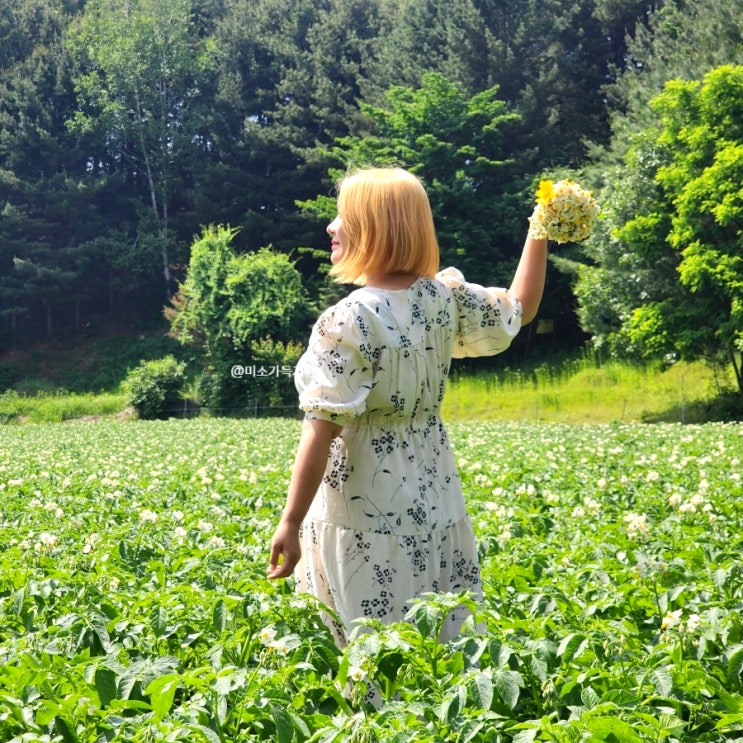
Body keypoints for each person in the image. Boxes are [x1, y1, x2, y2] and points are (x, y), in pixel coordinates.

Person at [267, 167, 547, 646]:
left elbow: (322, 427)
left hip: (361, 506)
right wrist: (539, 228)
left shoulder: (349, 319)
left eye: (343, 217)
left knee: (370, 643)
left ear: (375, 227)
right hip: (434, 491)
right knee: (436, 640)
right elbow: (519, 308)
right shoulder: (443, 300)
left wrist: (290, 522)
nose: (331, 227)